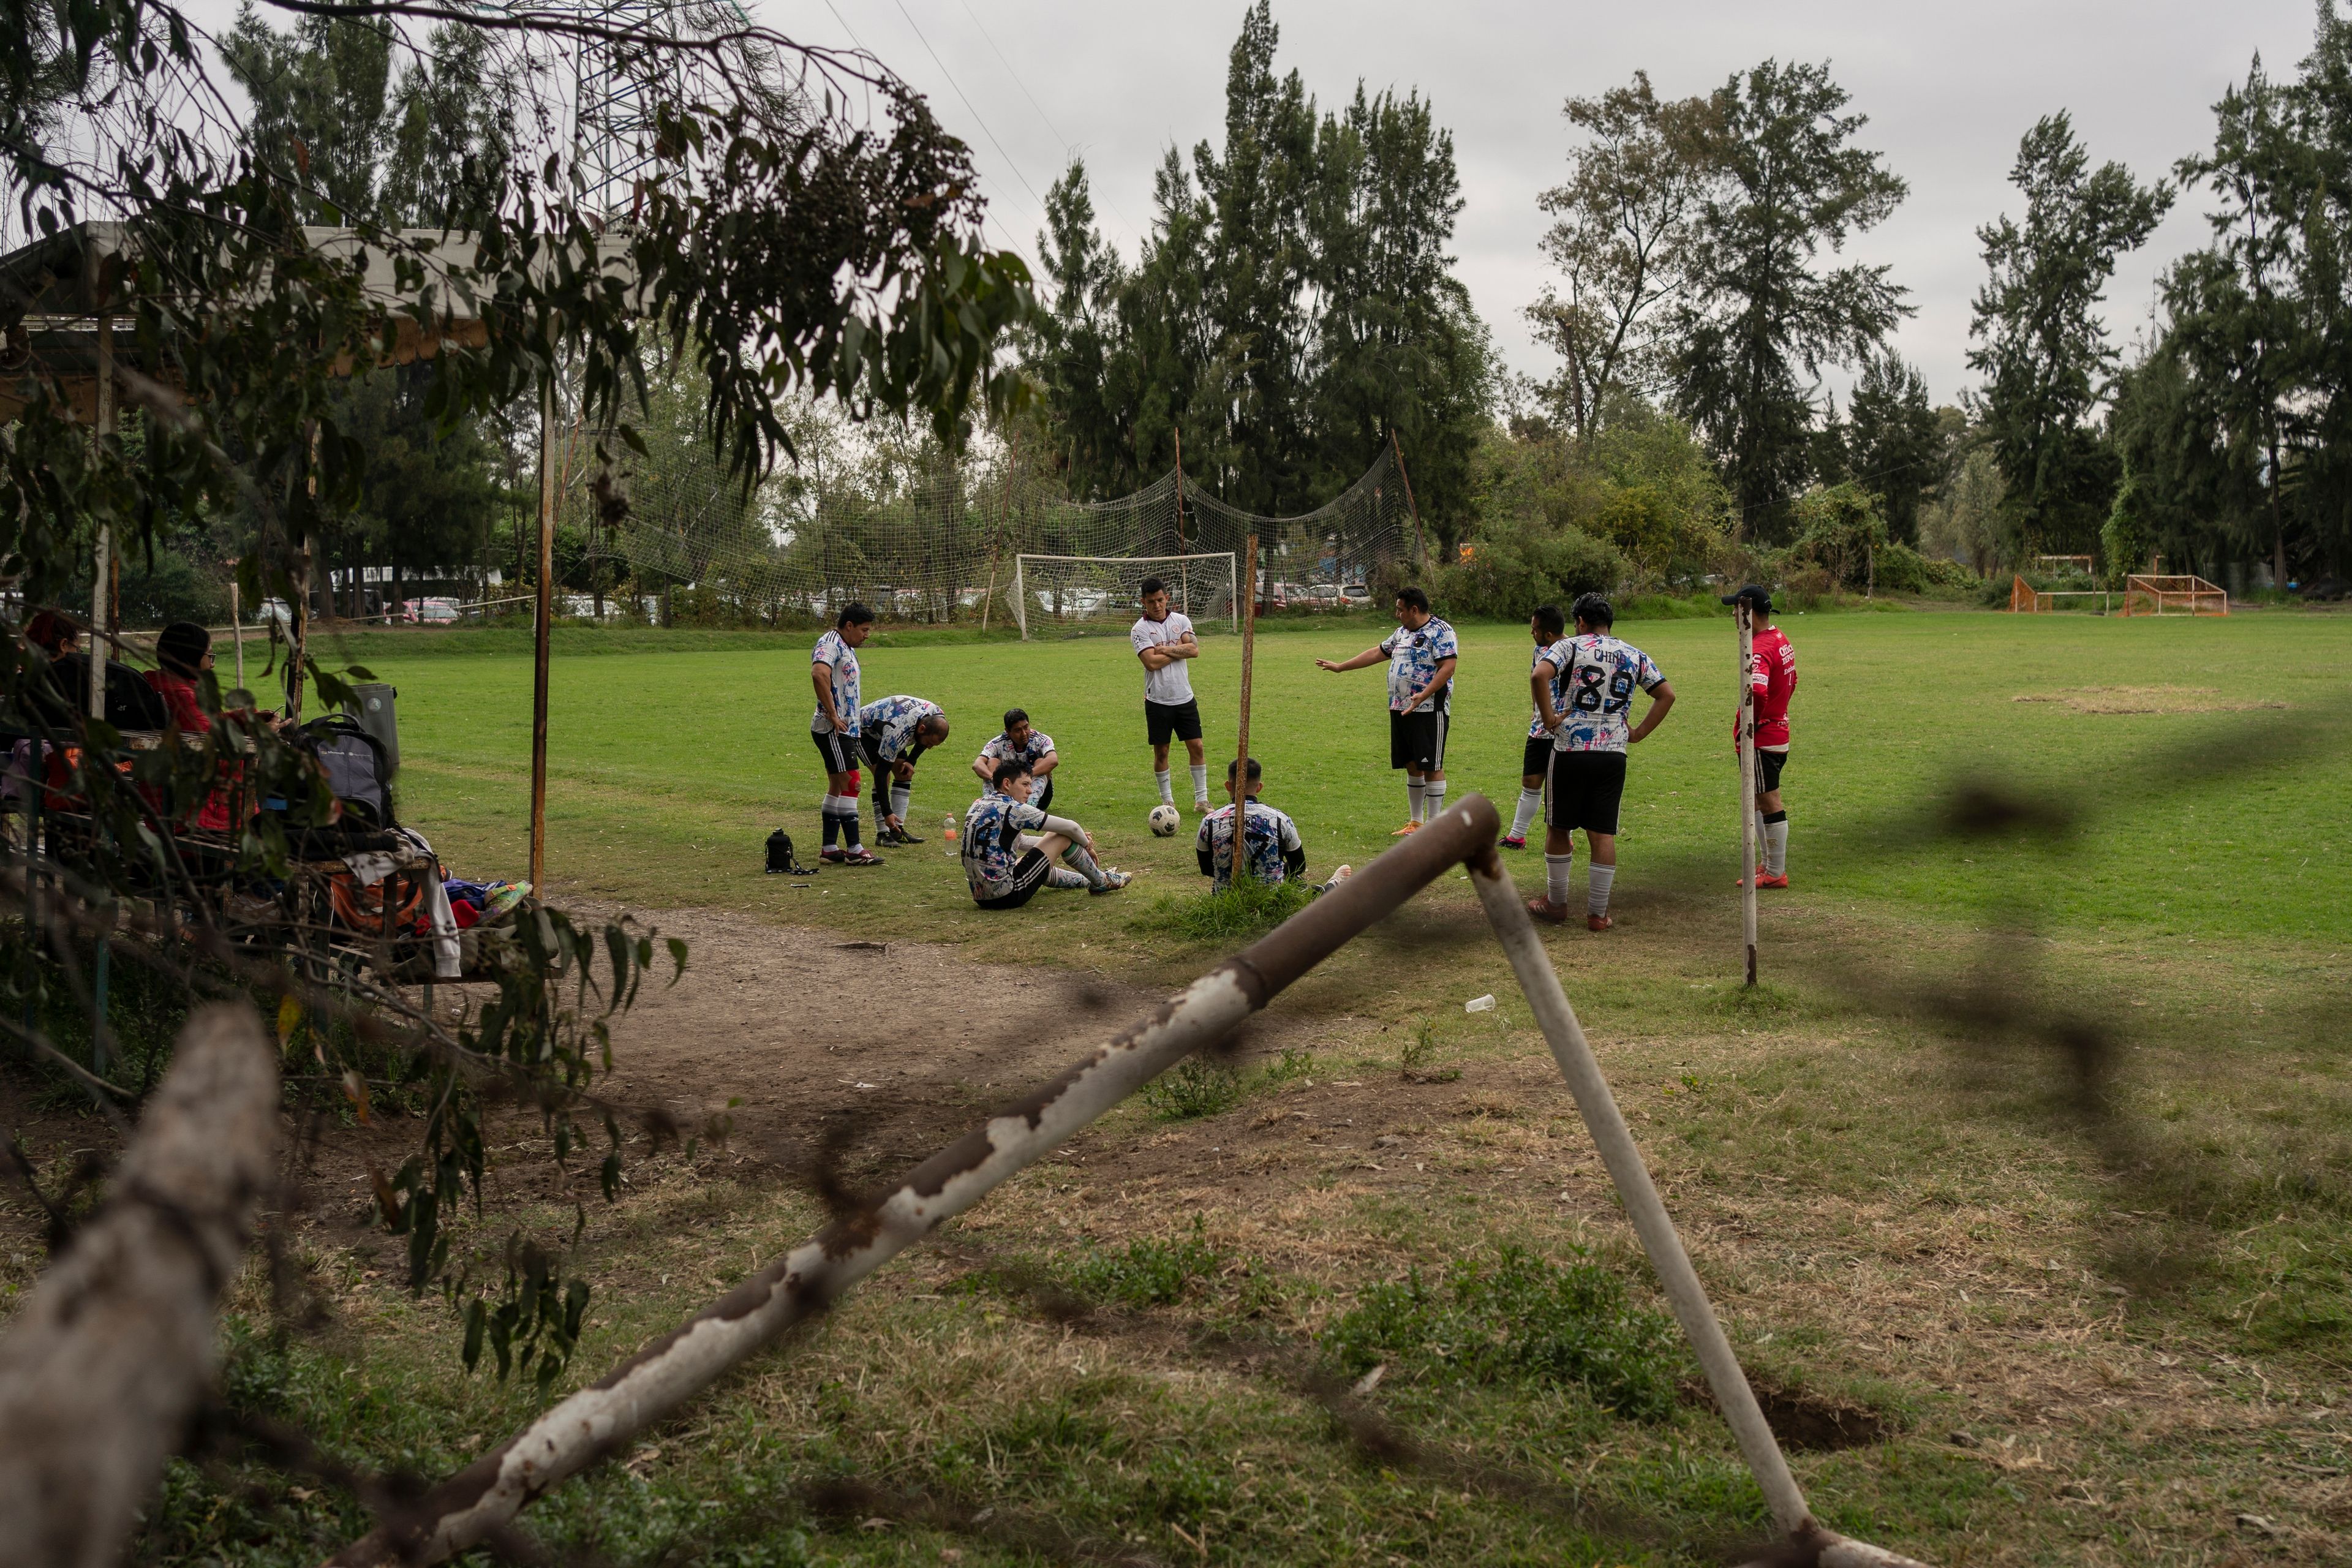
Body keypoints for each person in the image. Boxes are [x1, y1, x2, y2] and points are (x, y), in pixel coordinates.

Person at [1526, 593, 1675, 931]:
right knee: (1603, 833)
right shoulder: (1633, 654)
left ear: (1580, 622)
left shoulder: (1571, 647)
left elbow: (1539, 676)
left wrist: (1549, 719)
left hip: (1570, 750)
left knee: (1559, 826)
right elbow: (1667, 694)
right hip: (1613, 753)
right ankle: (1597, 914)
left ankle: (1557, 903)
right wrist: (1636, 733)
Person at [1315, 585, 1458, 835]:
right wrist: (1341, 667)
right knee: (1412, 764)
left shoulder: (1441, 632)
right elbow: (1377, 653)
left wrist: (1424, 694)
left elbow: (1448, 667)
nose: (1397, 614)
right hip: (1401, 707)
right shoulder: (1402, 632)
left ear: (1414, 610)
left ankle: (1436, 828)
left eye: (1400, 610)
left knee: (1432, 765)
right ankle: (1416, 823)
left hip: (1427, 708)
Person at [962, 760, 1131, 908]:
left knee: (1033, 858)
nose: (1030, 791)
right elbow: (1071, 828)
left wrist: (1052, 847)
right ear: (1007, 784)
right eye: (1025, 784)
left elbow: (1020, 841)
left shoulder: (978, 804)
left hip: (982, 896)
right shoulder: (1014, 809)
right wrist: (1086, 846)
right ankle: (1102, 882)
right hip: (1007, 895)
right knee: (1061, 836)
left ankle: (1091, 879)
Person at [1723, 584, 1798, 889]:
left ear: (1748, 613)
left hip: (1764, 737)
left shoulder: (1761, 648)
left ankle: (1775, 872)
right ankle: (1768, 866)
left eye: (1736, 609)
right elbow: (1792, 681)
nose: (1732, 614)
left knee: (1768, 799)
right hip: (1777, 730)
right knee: (1757, 797)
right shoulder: (1779, 638)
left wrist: (1751, 722)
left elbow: (1758, 689)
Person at [1194, 757, 1351, 898]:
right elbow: (1299, 865)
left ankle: (1327, 888)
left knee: (1298, 884)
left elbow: (1207, 869)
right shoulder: (1280, 820)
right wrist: (1275, 870)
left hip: (1225, 900)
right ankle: (1330, 888)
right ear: (1259, 787)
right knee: (1299, 884)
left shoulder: (1209, 821)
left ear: (1228, 786)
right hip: (1272, 900)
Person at [809, 603, 881, 865]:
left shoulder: (846, 646)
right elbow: (819, 673)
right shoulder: (830, 643)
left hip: (845, 728)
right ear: (848, 626)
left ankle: (829, 849)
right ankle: (854, 849)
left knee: (838, 788)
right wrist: (832, 713)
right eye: (864, 629)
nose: (867, 635)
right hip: (833, 728)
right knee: (852, 784)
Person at [1130, 576, 1209, 813]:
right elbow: (1151, 663)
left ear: (1168, 599)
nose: (1157, 606)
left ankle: (1201, 800)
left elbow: (1194, 650)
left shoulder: (1181, 620)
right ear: (1143, 602)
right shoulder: (1139, 629)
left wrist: (1164, 649)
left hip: (1184, 697)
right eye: (1151, 601)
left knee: (1197, 746)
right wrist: (1178, 651)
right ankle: (1168, 801)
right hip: (1158, 699)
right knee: (1162, 751)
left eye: (1161, 600)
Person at [1504, 604, 1569, 850]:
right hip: (1540, 728)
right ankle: (1516, 836)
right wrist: (1535, 709)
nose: (1531, 633)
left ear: (1549, 634)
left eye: (1535, 629)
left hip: (1564, 730)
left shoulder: (1575, 651)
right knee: (1530, 780)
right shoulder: (1539, 650)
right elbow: (1535, 679)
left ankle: (1566, 839)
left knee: (1560, 787)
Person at [858, 695, 948, 845]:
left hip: (894, 724)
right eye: (929, 743)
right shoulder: (897, 733)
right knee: (883, 777)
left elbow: (923, 739)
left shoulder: (936, 715)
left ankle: (897, 831)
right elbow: (881, 774)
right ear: (921, 729)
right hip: (864, 732)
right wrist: (887, 813)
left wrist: (911, 761)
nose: (929, 747)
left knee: (903, 774)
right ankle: (883, 833)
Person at [972, 707, 1058, 811]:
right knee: (992, 762)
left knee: (1041, 762)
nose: (1024, 733)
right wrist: (993, 777)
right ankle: (990, 802)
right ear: (1007, 731)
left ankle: (1030, 807)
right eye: (1018, 730)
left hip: (1039, 798)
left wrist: (1026, 776)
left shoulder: (1041, 740)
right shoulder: (998, 743)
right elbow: (977, 765)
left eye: (1026, 727)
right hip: (1008, 795)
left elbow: (1053, 760)